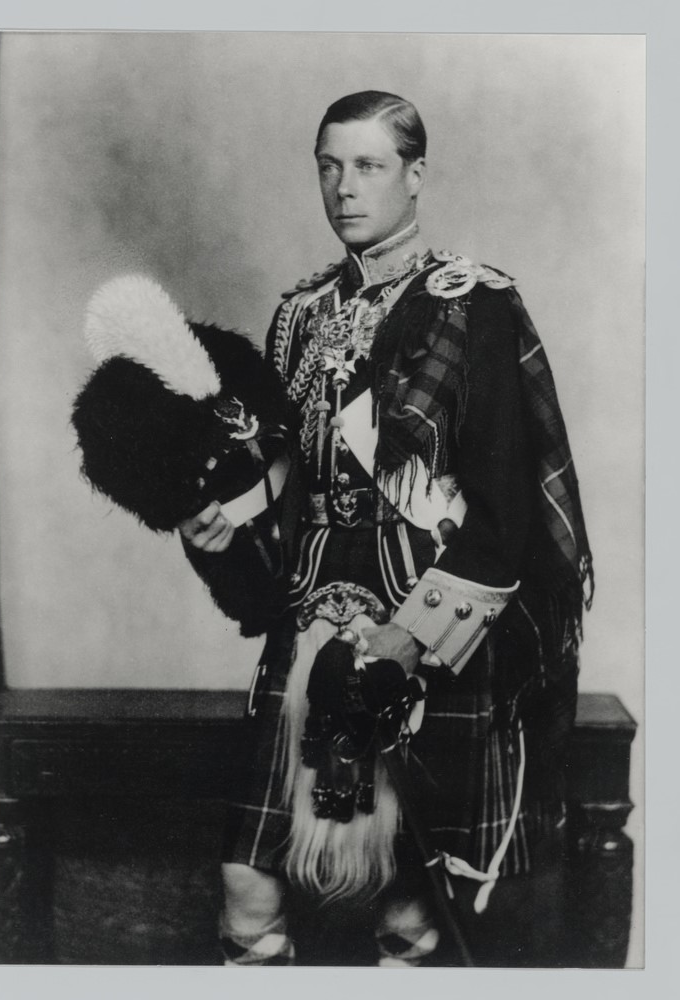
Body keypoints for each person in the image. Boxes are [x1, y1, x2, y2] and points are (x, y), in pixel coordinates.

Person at [179, 90, 593, 967]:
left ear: (415, 176)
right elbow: (288, 478)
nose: (343, 188)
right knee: (247, 887)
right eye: (328, 166)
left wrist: (411, 638)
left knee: (409, 910)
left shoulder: (470, 304)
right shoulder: (297, 315)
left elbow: (506, 509)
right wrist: (230, 520)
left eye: (367, 166)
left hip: (421, 626)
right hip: (307, 622)